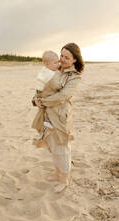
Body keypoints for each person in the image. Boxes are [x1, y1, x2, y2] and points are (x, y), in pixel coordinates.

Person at [32, 43, 84, 193]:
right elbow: (41, 88)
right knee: (52, 146)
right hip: (47, 114)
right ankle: (57, 174)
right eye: (61, 55)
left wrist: (42, 102)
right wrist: (35, 99)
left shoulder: (75, 76)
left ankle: (64, 179)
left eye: (67, 57)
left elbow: (62, 96)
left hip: (60, 116)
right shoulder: (53, 68)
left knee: (62, 148)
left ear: (74, 60)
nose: (62, 60)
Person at [32, 50, 60, 131]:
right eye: (55, 63)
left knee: (45, 109)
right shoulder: (49, 73)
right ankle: (47, 121)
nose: (58, 64)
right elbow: (56, 85)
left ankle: (47, 121)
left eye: (58, 62)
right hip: (42, 93)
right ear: (47, 64)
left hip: (40, 92)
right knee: (47, 109)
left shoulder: (46, 69)